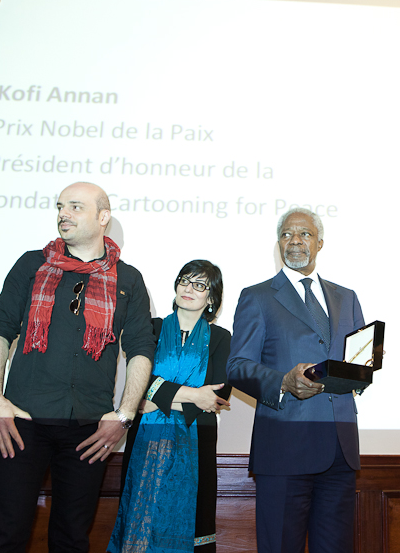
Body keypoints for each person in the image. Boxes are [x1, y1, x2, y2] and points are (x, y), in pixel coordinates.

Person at [0, 182, 154, 553]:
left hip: (89, 431)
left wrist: (124, 415)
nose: (63, 214)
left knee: (72, 540)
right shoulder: (32, 264)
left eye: (75, 207)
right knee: (5, 535)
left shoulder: (129, 279)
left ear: (102, 217)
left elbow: (140, 349)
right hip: (21, 421)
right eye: (61, 206)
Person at [226, 207, 365, 553]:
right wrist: (284, 382)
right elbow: (237, 365)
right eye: (287, 234)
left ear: (320, 243)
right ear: (279, 243)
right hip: (284, 448)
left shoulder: (347, 297)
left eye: (304, 234)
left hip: (339, 449)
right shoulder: (256, 296)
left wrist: (364, 369)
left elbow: (356, 365)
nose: (295, 241)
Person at [108, 259, 232, 553]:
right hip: (146, 442)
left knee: (193, 522)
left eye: (200, 285)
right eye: (184, 281)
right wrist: (192, 396)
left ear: (211, 298)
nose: (189, 288)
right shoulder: (152, 328)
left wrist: (157, 398)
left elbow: (216, 394)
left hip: (196, 442)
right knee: (141, 515)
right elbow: (139, 380)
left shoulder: (221, 338)